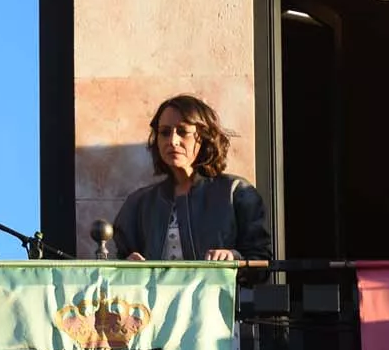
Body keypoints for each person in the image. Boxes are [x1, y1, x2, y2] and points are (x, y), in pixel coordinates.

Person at [112, 94, 271, 262]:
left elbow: (261, 260)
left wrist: (233, 257)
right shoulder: (139, 203)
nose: (172, 141)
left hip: (218, 289)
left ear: (204, 137)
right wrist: (129, 266)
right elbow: (119, 263)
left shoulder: (236, 192)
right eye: (165, 132)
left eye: (183, 131)